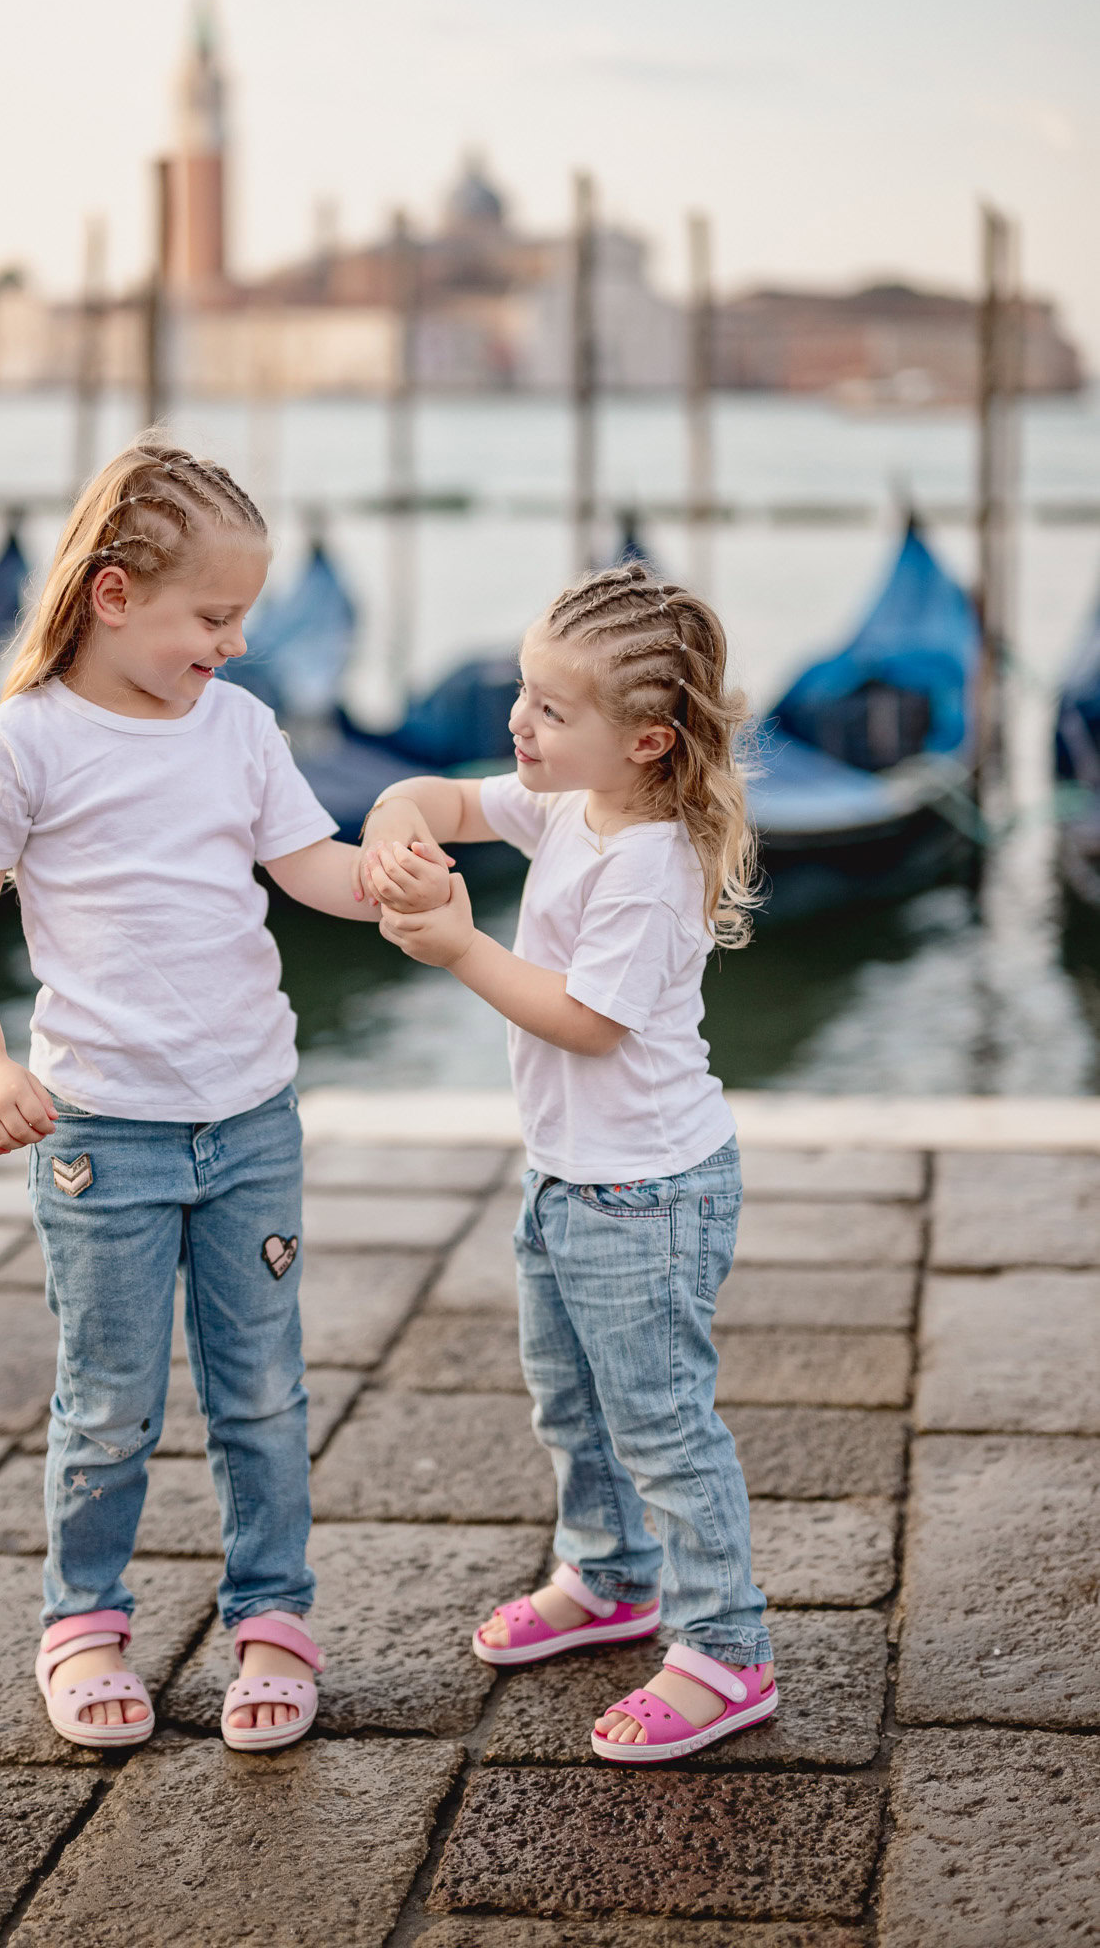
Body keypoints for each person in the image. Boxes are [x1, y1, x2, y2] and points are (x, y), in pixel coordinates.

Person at [0, 437, 448, 1754]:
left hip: (249, 1120)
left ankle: (272, 1619)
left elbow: (306, 864)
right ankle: (83, 1625)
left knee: (260, 1388)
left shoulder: (242, 728)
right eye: (213, 617)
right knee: (107, 1396)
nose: (237, 643)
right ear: (112, 595)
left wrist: (382, 884)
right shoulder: (19, 744)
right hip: (97, 1129)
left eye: (244, 616)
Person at [357, 561, 776, 1763]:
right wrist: (395, 822)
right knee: (571, 1400)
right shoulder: (568, 801)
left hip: (647, 1189)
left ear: (645, 740)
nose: (518, 723)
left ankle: (726, 1647)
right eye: (525, 693)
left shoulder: (646, 862)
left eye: (550, 708)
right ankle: (610, 1575)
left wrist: (457, 945)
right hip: (566, 1176)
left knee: (661, 1422)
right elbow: (437, 795)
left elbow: (590, 1019)